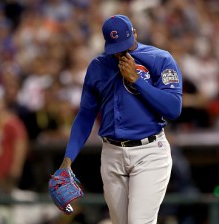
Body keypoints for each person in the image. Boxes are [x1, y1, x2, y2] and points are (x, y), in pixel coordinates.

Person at [58, 15, 183, 224]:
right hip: (111, 154)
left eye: (125, 44)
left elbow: (173, 109)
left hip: (149, 151)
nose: (121, 52)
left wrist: (137, 81)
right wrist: (68, 159)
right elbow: (86, 114)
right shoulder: (98, 66)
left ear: (134, 34)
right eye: (115, 47)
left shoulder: (160, 59)